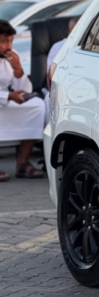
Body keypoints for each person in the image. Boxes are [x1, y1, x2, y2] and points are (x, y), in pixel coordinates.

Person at [0, 20, 45, 181]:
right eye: (4, 41)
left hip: (4, 102)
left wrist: (18, 69)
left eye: (11, 41)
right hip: (4, 99)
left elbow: (26, 89)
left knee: (37, 106)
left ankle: (22, 163)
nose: (9, 46)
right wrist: (8, 96)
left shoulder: (10, 57)